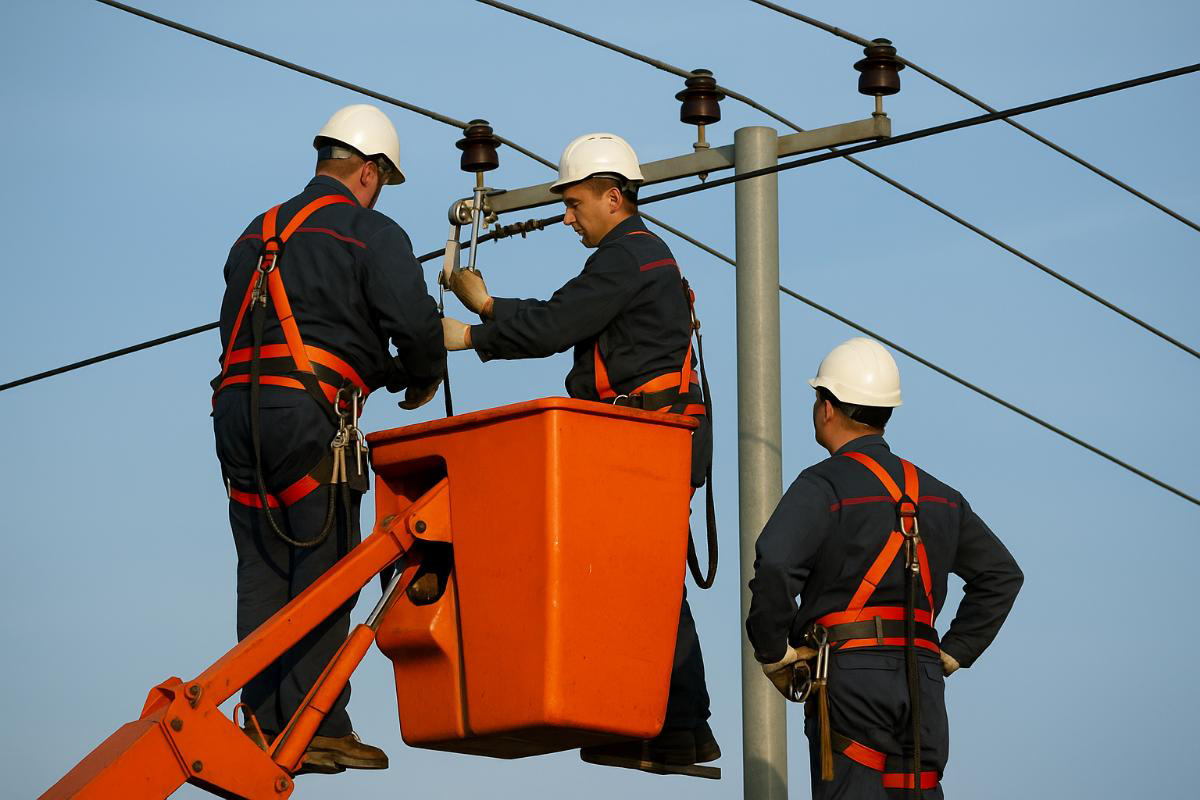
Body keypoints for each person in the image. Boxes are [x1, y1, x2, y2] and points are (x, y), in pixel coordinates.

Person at [440, 132, 719, 774]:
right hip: (650, 438)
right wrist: (485, 303)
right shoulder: (639, 258)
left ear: (612, 197)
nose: (568, 217)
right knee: (646, 582)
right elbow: (565, 316)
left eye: (574, 203)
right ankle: (674, 727)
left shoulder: (627, 257)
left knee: (641, 585)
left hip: (647, 439)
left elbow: (555, 325)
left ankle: (677, 726)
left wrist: (469, 334)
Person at [211, 104, 445, 774]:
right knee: (327, 570)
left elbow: (270, 330)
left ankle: (262, 721)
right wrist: (422, 373)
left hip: (236, 419)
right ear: (368, 171)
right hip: (308, 420)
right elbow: (413, 323)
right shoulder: (367, 231)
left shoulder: (254, 234)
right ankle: (318, 724)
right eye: (382, 179)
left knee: (262, 570)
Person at [746, 337, 1023, 798]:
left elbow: (774, 563)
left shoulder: (822, 486)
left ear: (827, 407)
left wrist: (773, 652)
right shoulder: (938, 495)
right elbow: (1001, 575)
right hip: (923, 680)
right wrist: (952, 651)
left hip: (850, 679)